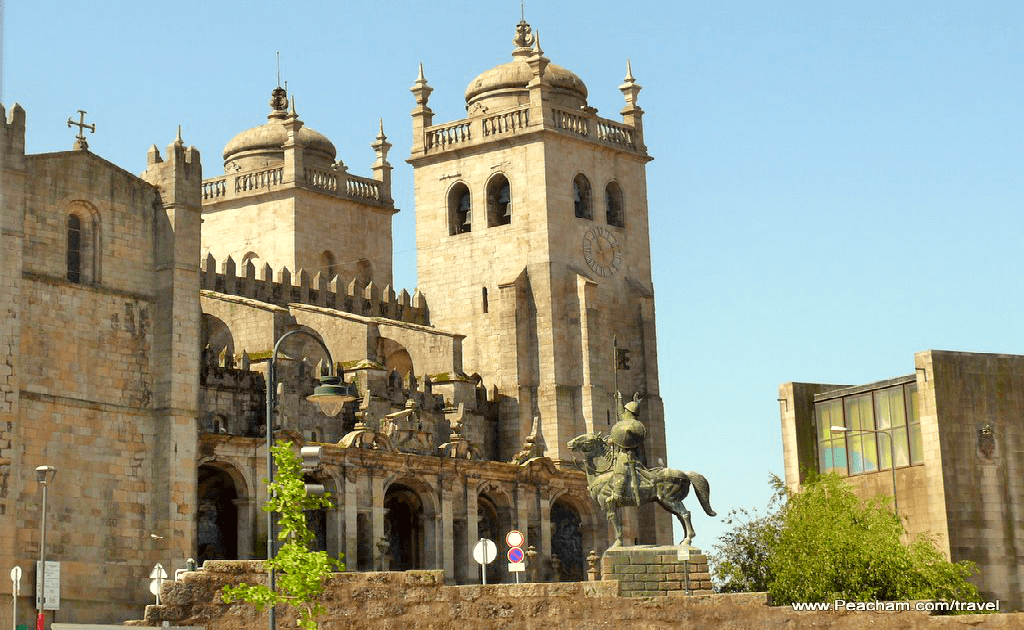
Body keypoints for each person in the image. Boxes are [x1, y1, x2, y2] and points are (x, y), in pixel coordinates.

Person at [609, 392, 647, 505]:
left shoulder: (633, 428)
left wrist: (614, 440)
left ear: (630, 412)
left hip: (630, 455)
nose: (624, 412)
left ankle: (618, 494)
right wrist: (619, 399)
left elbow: (627, 439)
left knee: (620, 470)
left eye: (626, 410)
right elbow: (621, 413)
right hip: (633, 454)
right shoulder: (629, 423)